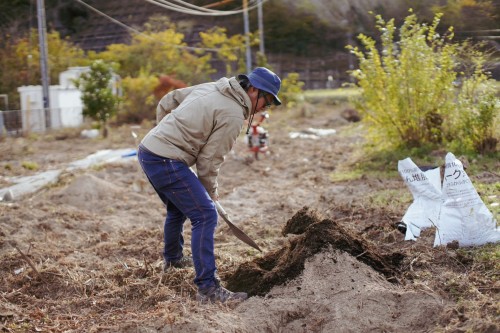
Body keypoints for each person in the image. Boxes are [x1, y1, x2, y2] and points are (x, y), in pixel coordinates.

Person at [138, 67, 282, 303]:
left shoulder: (213, 87)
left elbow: (167, 100)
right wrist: (211, 194)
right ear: (253, 90)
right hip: (165, 160)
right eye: (266, 101)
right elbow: (209, 161)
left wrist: (163, 133)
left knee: (178, 208)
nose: (265, 108)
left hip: (148, 151)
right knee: (205, 215)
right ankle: (208, 289)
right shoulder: (233, 115)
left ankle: (173, 261)